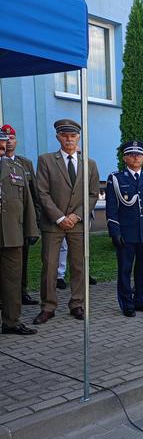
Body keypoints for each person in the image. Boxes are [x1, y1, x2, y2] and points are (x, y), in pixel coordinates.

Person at [34, 119, 99, 325]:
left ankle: (77, 304)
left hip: (77, 223)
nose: (69, 139)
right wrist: (60, 217)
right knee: (50, 266)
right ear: (58, 137)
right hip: (53, 224)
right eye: (64, 135)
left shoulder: (89, 163)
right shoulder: (45, 160)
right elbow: (41, 192)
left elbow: (93, 194)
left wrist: (76, 215)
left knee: (79, 266)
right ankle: (48, 307)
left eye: (72, 135)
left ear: (78, 137)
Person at [105, 140, 143, 317]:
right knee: (125, 269)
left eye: (138, 154)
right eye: (131, 154)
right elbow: (111, 208)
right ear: (125, 158)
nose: (136, 157)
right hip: (126, 233)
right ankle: (126, 303)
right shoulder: (116, 178)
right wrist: (114, 232)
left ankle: (140, 299)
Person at [0, 132, 40, 335]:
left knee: (12, 280)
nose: (2, 148)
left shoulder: (17, 169)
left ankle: (11, 321)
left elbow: (28, 203)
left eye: (3, 144)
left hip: (13, 234)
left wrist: (31, 229)